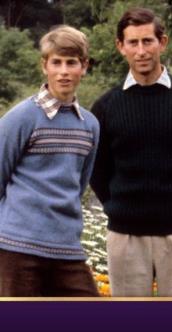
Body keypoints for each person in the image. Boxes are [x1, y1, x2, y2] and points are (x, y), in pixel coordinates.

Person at [90, 7, 172, 296]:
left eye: (148, 41)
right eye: (133, 43)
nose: (141, 50)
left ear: (163, 42)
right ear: (120, 47)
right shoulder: (105, 107)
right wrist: (116, 208)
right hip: (126, 235)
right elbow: (97, 170)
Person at [0, 26, 99, 296]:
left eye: (72, 63)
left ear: (84, 66)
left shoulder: (89, 125)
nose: (64, 71)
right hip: (18, 247)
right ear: (45, 66)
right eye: (56, 62)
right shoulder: (21, 118)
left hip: (67, 245)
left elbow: (78, 185)